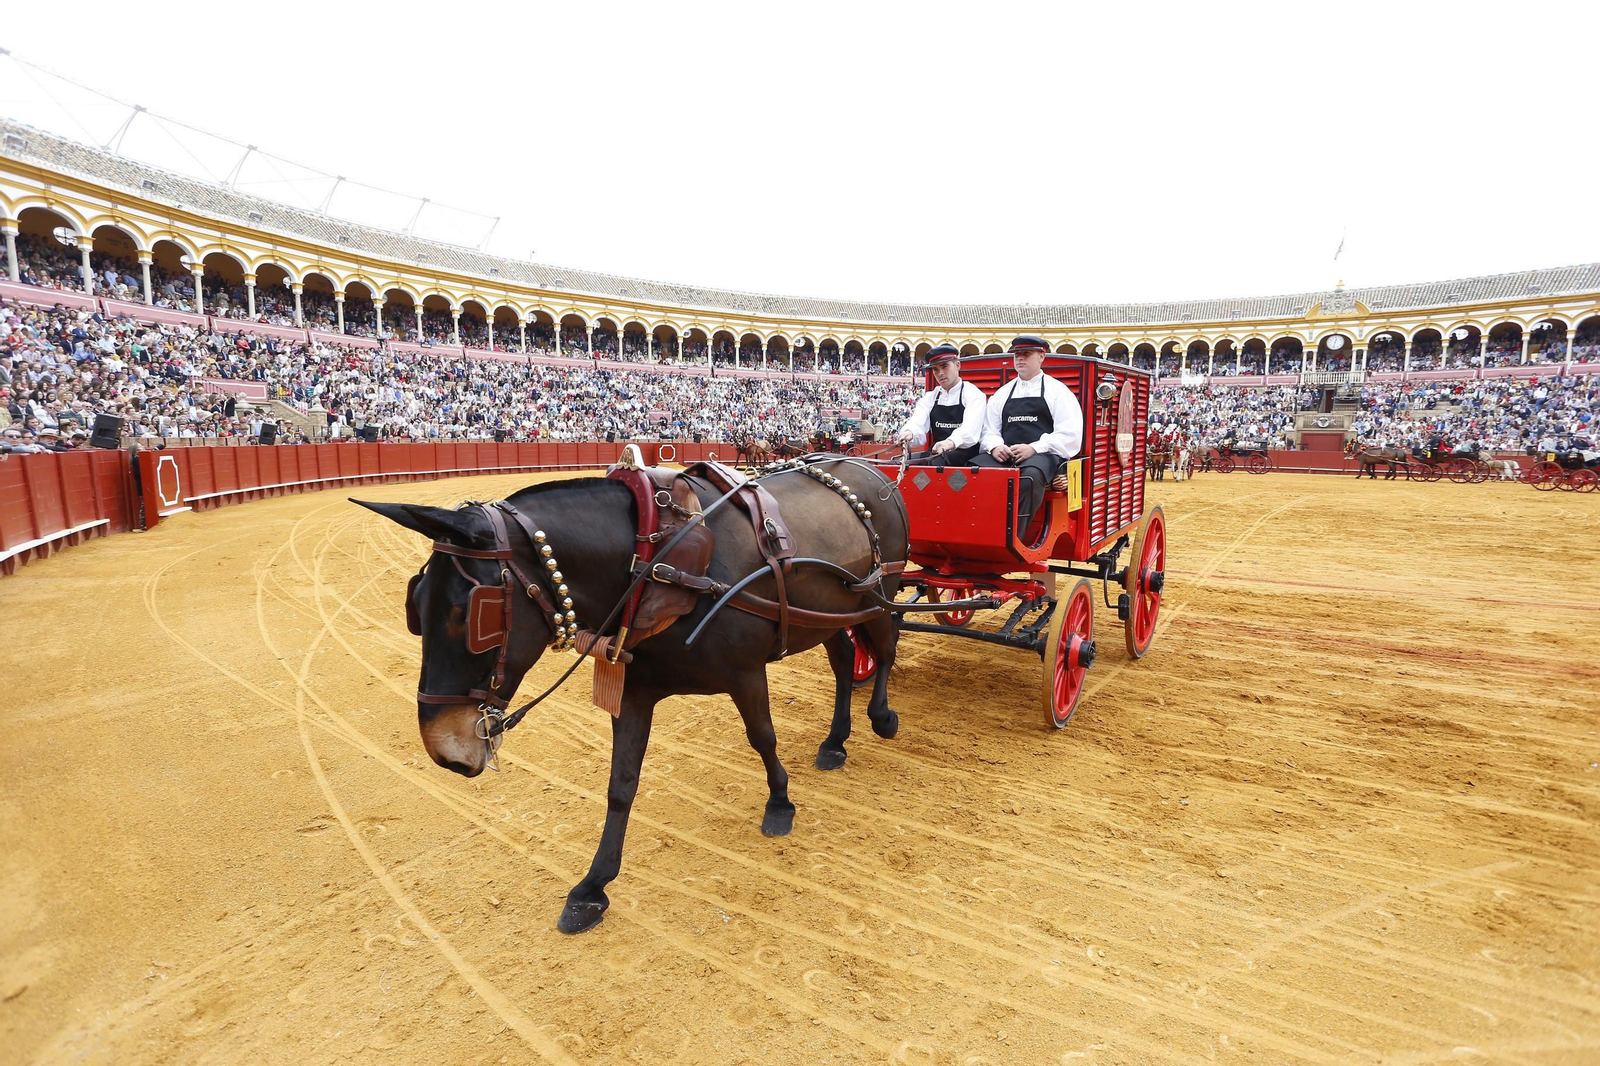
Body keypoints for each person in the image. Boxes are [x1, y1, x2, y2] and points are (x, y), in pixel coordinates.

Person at [971, 336, 1084, 530]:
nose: (1020, 358)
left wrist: (1033, 448)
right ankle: (979, 528)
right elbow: (989, 430)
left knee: (1029, 476)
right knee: (973, 470)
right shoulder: (1003, 393)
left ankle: (1014, 535)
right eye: (1017, 354)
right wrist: (995, 446)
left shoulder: (1057, 391)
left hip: (1044, 456)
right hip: (1007, 455)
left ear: (1042, 356)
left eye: (1026, 354)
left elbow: (1069, 433)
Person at [897, 344, 984, 466]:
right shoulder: (931, 397)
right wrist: (910, 432)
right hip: (937, 452)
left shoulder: (973, 394)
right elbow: (917, 422)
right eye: (935, 369)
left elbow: (969, 431)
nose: (940, 373)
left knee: (937, 461)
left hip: (966, 455)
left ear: (957, 365)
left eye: (944, 366)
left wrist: (951, 442)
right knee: (898, 463)